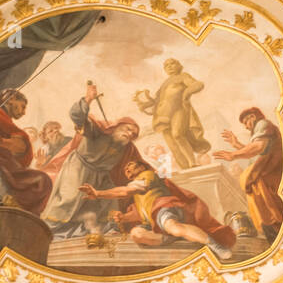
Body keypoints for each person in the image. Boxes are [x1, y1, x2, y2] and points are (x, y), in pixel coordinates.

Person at [79, 159, 235, 260]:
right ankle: (174, 236)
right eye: (125, 168)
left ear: (141, 167)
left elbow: (126, 191)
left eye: (130, 165)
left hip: (165, 208)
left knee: (172, 226)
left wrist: (99, 193)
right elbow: (140, 214)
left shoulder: (148, 175)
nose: (127, 168)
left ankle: (215, 246)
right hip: (154, 220)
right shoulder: (139, 194)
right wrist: (124, 218)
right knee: (137, 234)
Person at [41, 82, 143, 235]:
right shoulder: (98, 130)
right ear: (118, 125)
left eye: (133, 134)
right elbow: (77, 116)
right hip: (78, 168)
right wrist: (88, 99)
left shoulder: (127, 148)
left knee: (110, 200)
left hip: (101, 175)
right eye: (128, 129)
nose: (129, 134)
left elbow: (141, 165)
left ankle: (110, 229)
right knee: (69, 199)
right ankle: (47, 229)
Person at [215, 107, 283, 240]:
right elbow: (255, 153)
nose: (246, 127)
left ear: (252, 117)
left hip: (271, 178)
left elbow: (258, 147)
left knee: (273, 217)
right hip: (266, 180)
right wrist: (236, 145)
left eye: (246, 122)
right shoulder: (260, 131)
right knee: (269, 218)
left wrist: (233, 155)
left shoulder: (263, 124)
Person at [133, 59, 210, 170]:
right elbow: (158, 101)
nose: (169, 67)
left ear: (179, 65)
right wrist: (144, 104)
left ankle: (192, 162)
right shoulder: (165, 83)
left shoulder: (183, 76)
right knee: (172, 144)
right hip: (162, 116)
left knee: (178, 134)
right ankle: (185, 167)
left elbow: (198, 85)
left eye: (172, 64)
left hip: (179, 110)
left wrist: (186, 93)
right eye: (166, 65)